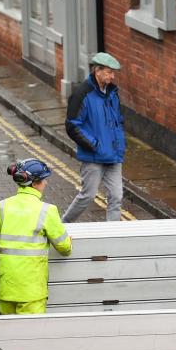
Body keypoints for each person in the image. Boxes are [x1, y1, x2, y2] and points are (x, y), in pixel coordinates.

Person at [0, 159, 72, 314]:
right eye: (43, 180)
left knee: (7, 335)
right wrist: (68, 242)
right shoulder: (47, 210)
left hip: (7, 287)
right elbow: (65, 248)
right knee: (30, 334)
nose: (46, 183)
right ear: (34, 184)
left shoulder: (2, 206)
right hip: (32, 290)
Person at [62, 52, 125, 222]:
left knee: (116, 197)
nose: (113, 76)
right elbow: (72, 125)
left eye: (113, 72)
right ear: (97, 71)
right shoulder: (82, 94)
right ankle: (63, 225)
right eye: (109, 72)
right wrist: (94, 145)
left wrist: (118, 144)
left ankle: (112, 236)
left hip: (113, 154)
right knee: (87, 196)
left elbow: (117, 120)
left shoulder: (112, 93)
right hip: (94, 155)